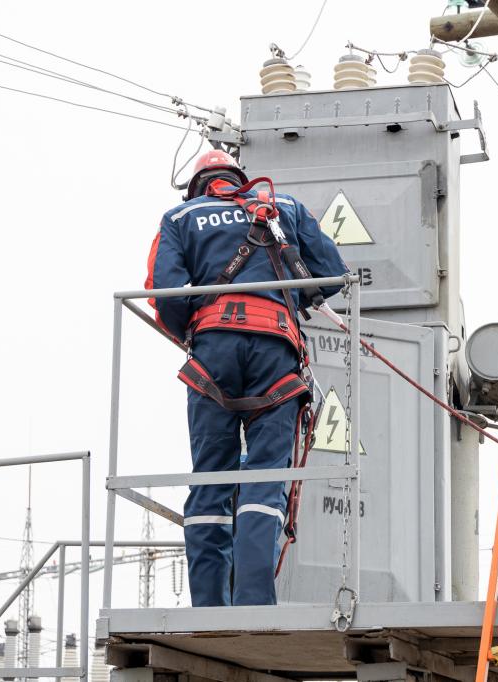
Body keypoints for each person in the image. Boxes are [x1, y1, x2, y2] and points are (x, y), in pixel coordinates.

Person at [145, 149, 347, 606]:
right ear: (238, 178)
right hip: (275, 350)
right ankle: (255, 601)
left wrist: (195, 335)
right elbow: (332, 274)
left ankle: (209, 609)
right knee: (264, 479)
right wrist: (291, 304)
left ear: (197, 185)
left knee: (211, 480)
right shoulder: (284, 208)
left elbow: (166, 294)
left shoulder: (179, 217)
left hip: (212, 355)